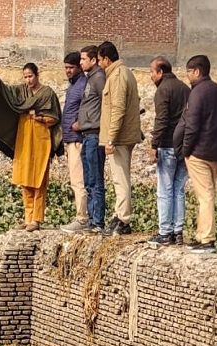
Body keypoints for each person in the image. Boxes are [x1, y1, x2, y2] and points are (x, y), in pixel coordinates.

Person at [0, 63, 63, 232]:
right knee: (25, 180)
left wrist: (39, 118)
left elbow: (55, 117)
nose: (28, 80)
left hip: (41, 141)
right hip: (24, 140)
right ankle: (28, 217)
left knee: (38, 181)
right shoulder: (21, 92)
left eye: (30, 76)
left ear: (38, 75)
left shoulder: (47, 94)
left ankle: (36, 219)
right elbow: (7, 93)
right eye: (25, 77)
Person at [173, 55, 217, 254]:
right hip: (216, 151)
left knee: (205, 195)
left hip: (199, 151)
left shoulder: (198, 93)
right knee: (207, 193)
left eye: (189, 72)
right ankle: (200, 235)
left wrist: (185, 150)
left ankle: (207, 238)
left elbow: (191, 125)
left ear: (197, 71)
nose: (188, 76)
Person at [97, 41, 142, 237]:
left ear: (106, 59)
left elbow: (118, 109)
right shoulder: (126, 72)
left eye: (99, 60)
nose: (99, 64)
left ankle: (123, 218)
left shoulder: (117, 76)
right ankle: (119, 214)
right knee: (121, 176)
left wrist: (110, 139)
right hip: (125, 135)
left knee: (119, 177)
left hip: (120, 138)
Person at [147, 56, 190, 246]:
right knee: (179, 190)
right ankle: (178, 231)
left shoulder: (163, 90)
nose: (150, 76)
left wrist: (154, 145)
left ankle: (165, 232)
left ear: (160, 72)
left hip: (167, 145)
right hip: (185, 146)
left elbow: (162, 120)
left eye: (152, 72)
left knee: (165, 190)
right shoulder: (185, 89)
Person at [73, 45, 107, 234]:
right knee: (88, 180)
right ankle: (92, 219)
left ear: (93, 60)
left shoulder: (99, 78)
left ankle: (97, 221)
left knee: (95, 179)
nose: (81, 62)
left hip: (95, 135)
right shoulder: (89, 79)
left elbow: (107, 103)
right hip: (86, 135)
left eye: (84, 59)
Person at [59, 51, 89, 233]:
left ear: (79, 67)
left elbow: (89, 108)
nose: (68, 71)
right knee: (76, 180)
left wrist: (80, 125)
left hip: (78, 139)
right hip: (71, 138)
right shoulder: (73, 86)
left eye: (71, 68)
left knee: (78, 180)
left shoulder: (82, 85)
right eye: (66, 68)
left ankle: (82, 217)